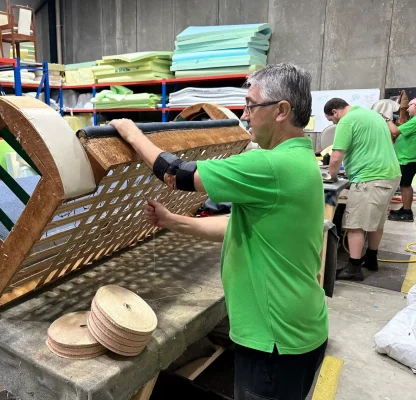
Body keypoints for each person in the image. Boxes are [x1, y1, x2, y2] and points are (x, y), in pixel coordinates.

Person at [110, 63, 328, 400]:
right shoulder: (301, 161)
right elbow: (242, 225)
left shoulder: (270, 165)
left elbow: (177, 173)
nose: (246, 114)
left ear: (281, 110)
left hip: (275, 340)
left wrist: (131, 133)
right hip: (298, 328)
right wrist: (174, 222)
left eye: (252, 105)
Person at [324, 99, 400, 280]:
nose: (333, 123)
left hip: (370, 177)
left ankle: (353, 268)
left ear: (335, 112)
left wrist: (332, 177)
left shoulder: (347, 120)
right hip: (390, 175)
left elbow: (336, 158)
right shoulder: (372, 115)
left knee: (355, 224)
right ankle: (371, 258)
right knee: (376, 221)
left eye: (331, 120)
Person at [385, 97, 416, 222]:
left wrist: (387, 119)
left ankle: (407, 213)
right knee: (405, 185)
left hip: (408, 158)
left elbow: (395, 131)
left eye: (409, 106)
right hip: (409, 158)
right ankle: (405, 209)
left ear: (415, 105)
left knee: (405, 185)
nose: (407, 109)